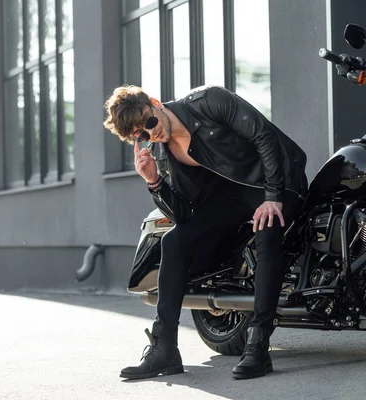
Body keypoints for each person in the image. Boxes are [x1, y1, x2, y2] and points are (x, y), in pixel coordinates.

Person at [103, 85, 308, 380]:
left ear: (155, 103)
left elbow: (263, 134)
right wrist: (154, 182)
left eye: (149, 122)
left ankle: (258, 345)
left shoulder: (208, 102)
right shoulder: (162, 155)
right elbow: (184, 215)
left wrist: (272, 196)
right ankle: (164, 350)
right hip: (232, 198)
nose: (152, 134)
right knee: (174, 240)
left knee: (266, 229)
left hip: (278, 180)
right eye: (142, 135)